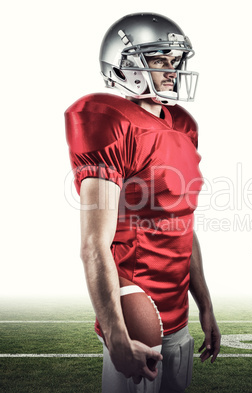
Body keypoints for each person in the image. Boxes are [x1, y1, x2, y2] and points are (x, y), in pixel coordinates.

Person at [64, 12, 221, 393]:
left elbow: (182, 226)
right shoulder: (108, 121)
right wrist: (117, 335)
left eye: (175, 61)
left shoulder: (182, 125)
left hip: (179, 316)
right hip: (137, 313)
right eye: (160, 60)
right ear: (127, 64)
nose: (173, 70)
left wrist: (206, 305)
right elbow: (92, 245)